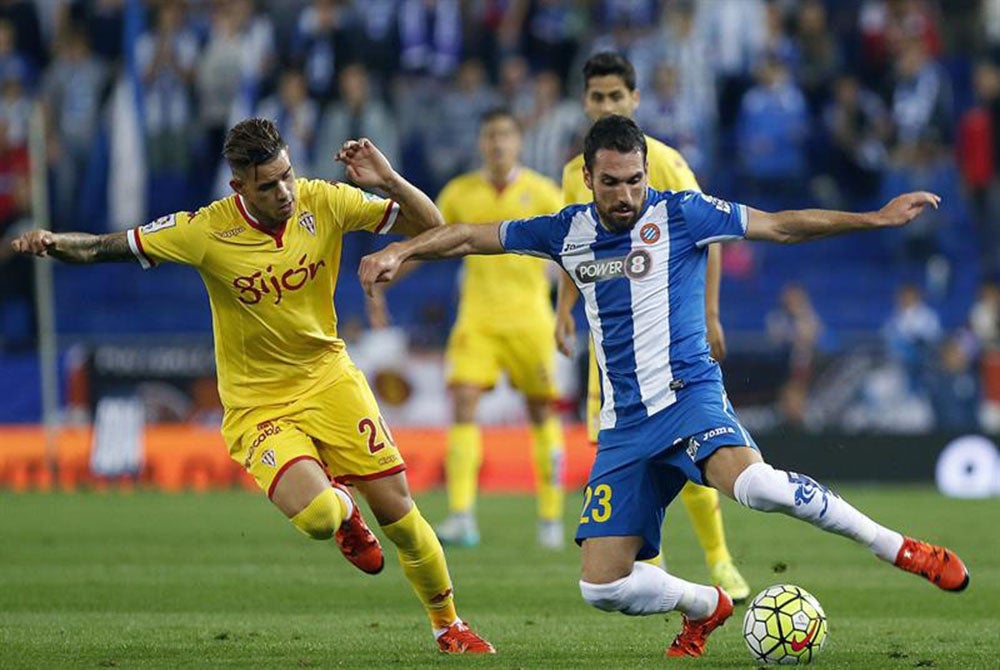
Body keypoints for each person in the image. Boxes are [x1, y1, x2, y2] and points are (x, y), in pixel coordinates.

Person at [357, 115, 969, 659]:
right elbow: (470, 236)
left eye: (634, 180)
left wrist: (874, 218)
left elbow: (782, 227)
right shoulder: (566, 231)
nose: (625, 195)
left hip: (689, 397)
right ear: (587, 178)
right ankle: (706, 605)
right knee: (601, 587)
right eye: (611, 182)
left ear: (646, 172)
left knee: (757, 487)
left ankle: (897, 548)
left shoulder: (682, 214)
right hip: (625, 426)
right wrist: (403, 252)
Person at [10, 118, 494, 655]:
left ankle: (449, 626)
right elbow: (107, 247)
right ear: (238, 186)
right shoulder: (206, 230)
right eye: (268, 185)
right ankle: (344, 511)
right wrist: (54, 242)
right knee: (318, 517)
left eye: (287, 175)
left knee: (401, 519)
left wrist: (389, 180)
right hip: (258, 406)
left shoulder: (324, 200)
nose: (284, 191)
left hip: (330, 380)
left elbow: (433, 228)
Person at [556, 51, 750, 602]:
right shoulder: (574, 173)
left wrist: (710, 315)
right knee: (627, 463)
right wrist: (562, 310)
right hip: (613, 348)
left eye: (616, 96)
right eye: (598, 96)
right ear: (585, 101)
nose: (607, 105)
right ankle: (656, 574)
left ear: (635, 99)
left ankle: (719, 559)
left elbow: (711, 234)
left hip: (667, 341)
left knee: (689, 449)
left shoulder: (663, 162)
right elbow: (572, 245)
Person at [368, 107, 566, 549]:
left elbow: (572, 252)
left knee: (541, 412)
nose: (498, 143)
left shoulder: (544, 193)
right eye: (490, 135)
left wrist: (567, 311)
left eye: (505, 135)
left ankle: (551, 518)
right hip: (477, 318)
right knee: (462, 404)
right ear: (481, 142)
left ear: (518, 142)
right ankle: (461, 515)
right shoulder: (459, 193)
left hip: (530, 319)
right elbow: (426, 244)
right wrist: (387, 275)